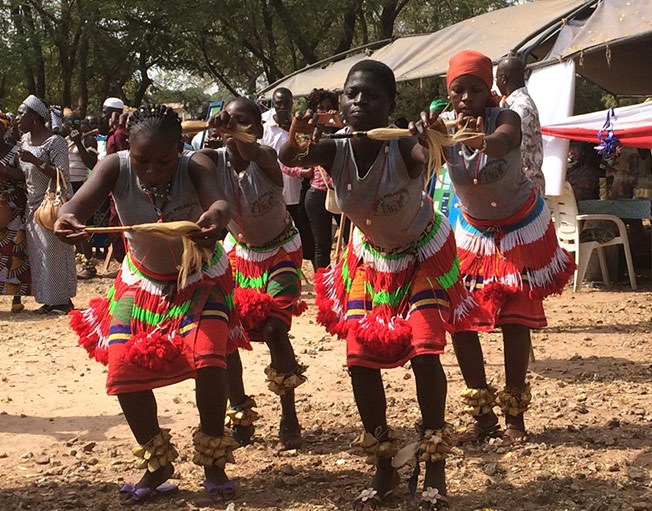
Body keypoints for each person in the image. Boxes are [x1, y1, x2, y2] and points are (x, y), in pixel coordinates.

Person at [280, 60, 481, 511]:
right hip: (371, 259)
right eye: (351, 94)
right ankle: (384, 463)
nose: (359, 102)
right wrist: (297, 137)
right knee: (360, 360)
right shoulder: (332, 148)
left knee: (425, 353)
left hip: (422, 253)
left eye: (371, 95)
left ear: (389, 104)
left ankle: (433, 463)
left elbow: (425, 158)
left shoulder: (404, 144)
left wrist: (429, 138)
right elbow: (291, 158)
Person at [55, 104, 240, 505]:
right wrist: (67, 218)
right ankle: (158, 463)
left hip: (200, 277)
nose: (153, 170)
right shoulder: (114, 166)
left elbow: (220, 204)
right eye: (143, 161)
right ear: (129, 151)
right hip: (141, 282)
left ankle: (214, 461)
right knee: (122, 368)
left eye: (164, 161)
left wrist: (215, 217)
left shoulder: (196, 165)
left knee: (209, 360)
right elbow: (75, 206)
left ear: (179, 150)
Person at [440, 50, 575, 445]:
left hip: (520, 229)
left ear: (491, 90)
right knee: (461, 321)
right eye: (458, 90)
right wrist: (424, 136)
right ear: (449, 94)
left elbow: (501, 143)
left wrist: (476, 139)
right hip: (473, 234)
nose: (466, 98)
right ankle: (482, 415)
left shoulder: (508, 118)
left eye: (475, 89)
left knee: (516, 320)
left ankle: (515, 415)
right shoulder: (442, 128)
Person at [201, 97, 307, 451]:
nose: (234, 128)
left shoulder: (266, 158)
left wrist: (235, 133)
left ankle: (288, 413)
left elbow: (252, 152)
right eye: (229, 121)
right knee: (228, 333)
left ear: (259, 130)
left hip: (281, 250)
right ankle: (240, 412)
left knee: (275, 328)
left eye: (243, 122)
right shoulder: (212, 162)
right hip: (239, 253)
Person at [16, 95, 76, 315]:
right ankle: (49, 299)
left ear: (35, 117)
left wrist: (35, 161)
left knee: (55, 251)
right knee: (40, 254)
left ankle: (63, 300)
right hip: (32, 204)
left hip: (51, 204)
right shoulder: (24, 140)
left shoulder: (55, 142)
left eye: (21, 113)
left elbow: (63, 174)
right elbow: (23, 175)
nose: (18, 118)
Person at [261, 87, 315, 268]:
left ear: (292, 103)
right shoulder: (265, 130)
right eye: (279, 103)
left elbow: (307, 153)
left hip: (298, 194)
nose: (283, 107)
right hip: (275, 196)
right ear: (273, 105)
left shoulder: (300, 128)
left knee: (307, 239)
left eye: (286, 103)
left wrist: (290, 131)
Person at [303, 88, 346, 269]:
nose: (326, 112)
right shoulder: (306, 132)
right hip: (317, 194)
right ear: (313, 110)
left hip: (343, 192)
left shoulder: (344, 131)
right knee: (322, 245)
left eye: (329, 107)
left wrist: (338, 123)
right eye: (321, 108)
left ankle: (348, 281)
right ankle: (323, 284)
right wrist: (302, 172)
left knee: (350, 241)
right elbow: (286, 162)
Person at [496, 56, 546, 196]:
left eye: (496, 79)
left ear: (503, 79)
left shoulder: (521, 107)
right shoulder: (515, 104)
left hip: (525, 187)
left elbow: (520, 150)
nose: (496, 84)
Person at [0, 113, 31, 311]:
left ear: (4, 130)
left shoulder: (16, 152)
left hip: (14, 207)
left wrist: (6, 172)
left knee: (15, 251)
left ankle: (16, 298)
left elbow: (25, 176)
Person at [63, 110, 99, 278]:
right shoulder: (63, 142)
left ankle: (90, 266)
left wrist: (79, 143)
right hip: (67, 187)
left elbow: (91, 164)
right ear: (64, 125)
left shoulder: (88, 140)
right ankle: (80, 262)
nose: (73, 126)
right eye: (69, 123)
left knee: (81, 225)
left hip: (81, 186)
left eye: (76, 122)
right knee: (70, 225)